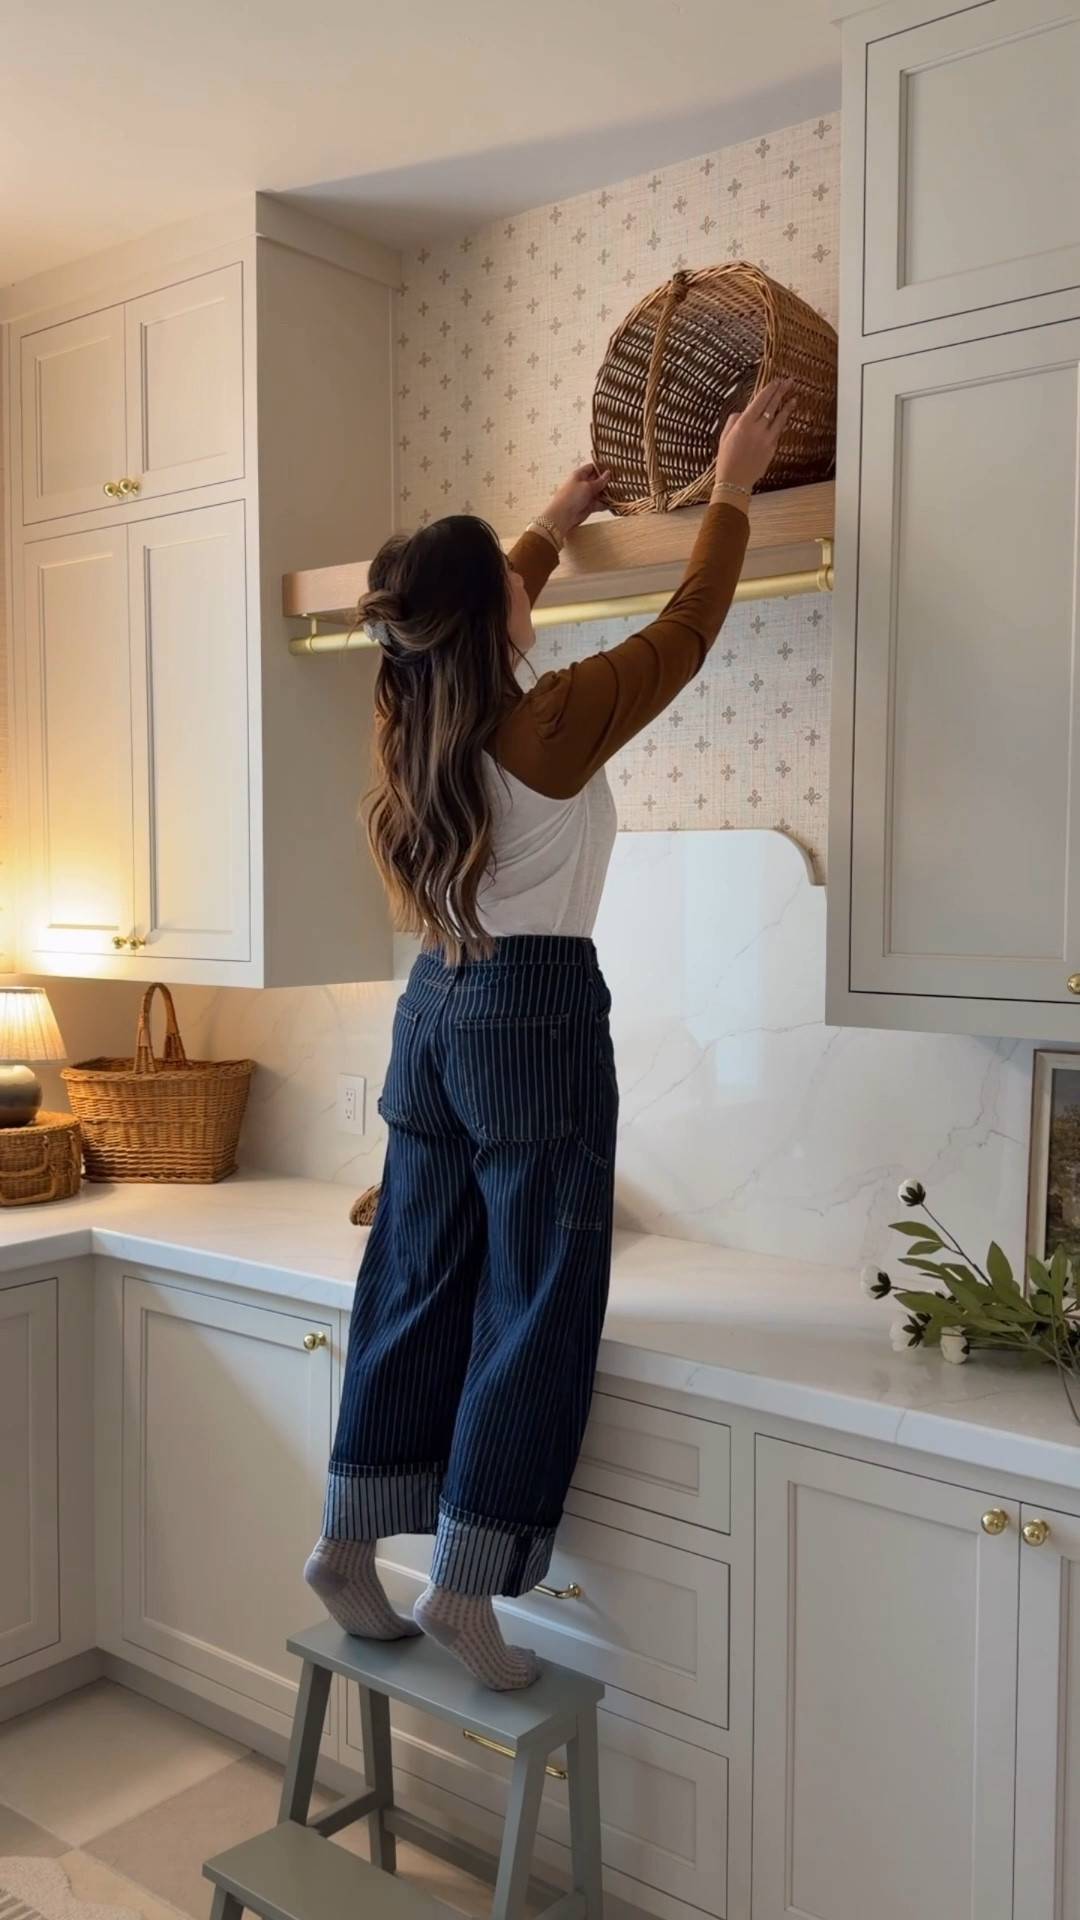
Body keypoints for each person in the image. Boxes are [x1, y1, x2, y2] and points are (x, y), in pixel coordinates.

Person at [305, 377, 798, 1689]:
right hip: (534, 1017)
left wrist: (541, 522)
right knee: (538, 1300)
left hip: (434, 1011)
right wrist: (736, 482)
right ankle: (468, 1582)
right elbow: (689, 630)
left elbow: (461, 613)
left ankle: (348, 1546)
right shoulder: (551, 719)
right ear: (506, 618)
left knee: (410, 1276)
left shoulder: (407, 715)